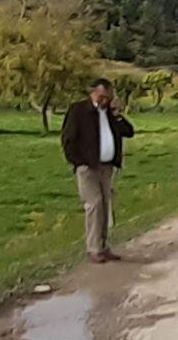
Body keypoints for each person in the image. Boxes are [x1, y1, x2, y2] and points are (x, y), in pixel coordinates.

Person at [59, 78, 137, 264]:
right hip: (88, 167)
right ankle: (93, 248)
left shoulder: (110, 113)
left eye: (108, 98)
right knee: (94, 204)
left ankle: (103, 246)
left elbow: (129, 131)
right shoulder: (78, 110)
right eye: (102, 97)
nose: (104, 101)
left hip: (107, 167)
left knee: (104, 205)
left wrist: (117, 114)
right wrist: (78, 162)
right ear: (93, 93)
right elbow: (68, 139)